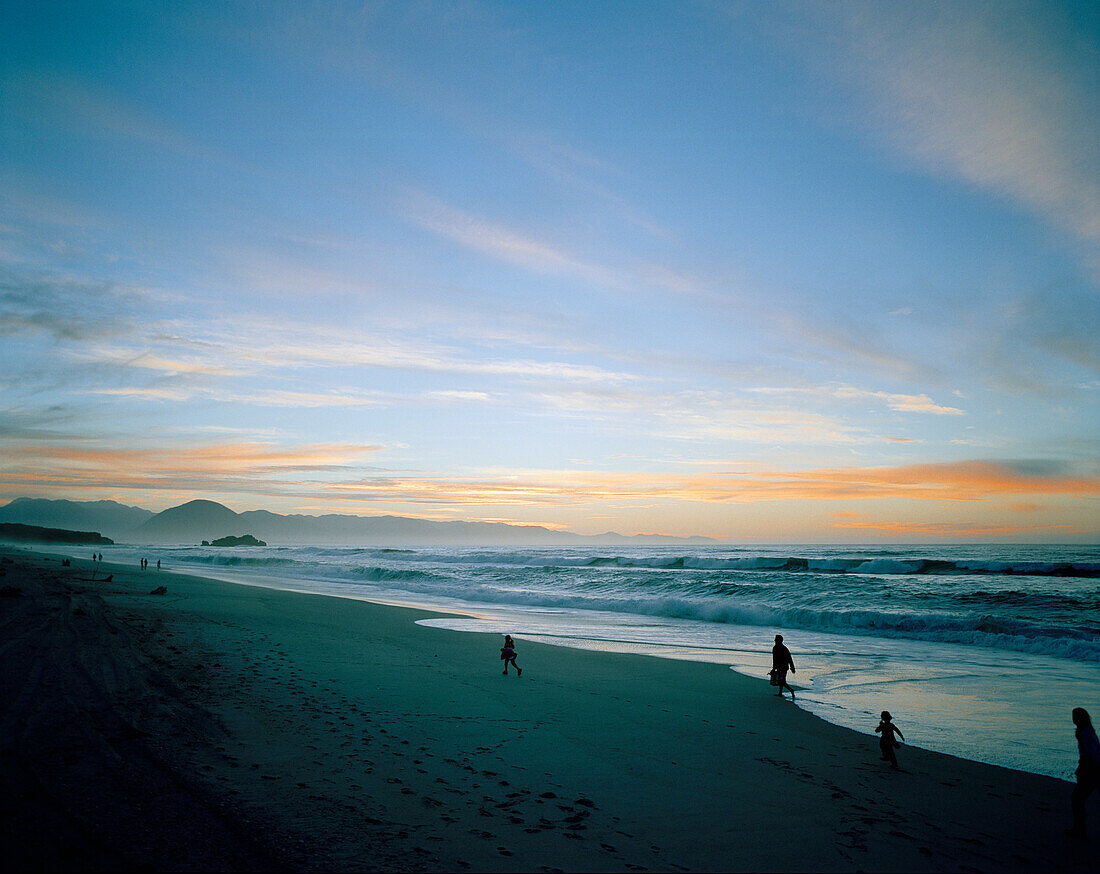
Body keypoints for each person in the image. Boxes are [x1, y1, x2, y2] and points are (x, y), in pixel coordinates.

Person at [1068, 707, 1100, 839]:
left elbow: (1092, 754)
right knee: (1078, 799)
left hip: (1090, 770)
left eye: (1075, 717)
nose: (1073, 720)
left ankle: (1080, 830)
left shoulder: (1086, 733)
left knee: (1077, 799)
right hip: (1089, 768)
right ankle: (1079, 829)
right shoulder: (1086, 731)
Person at [770, 634, 795, 699]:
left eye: (776, 639)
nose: (774, 640)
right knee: (781, 680)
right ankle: (780, 693)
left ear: (779, 640)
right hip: (782, 666)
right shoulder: (783, 648)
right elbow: (789, 658)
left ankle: (791, 690)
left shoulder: (777, 648)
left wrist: (792, 667)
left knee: (782, 681)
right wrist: (792, 667)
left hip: (782, 667)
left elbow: (775, 659)